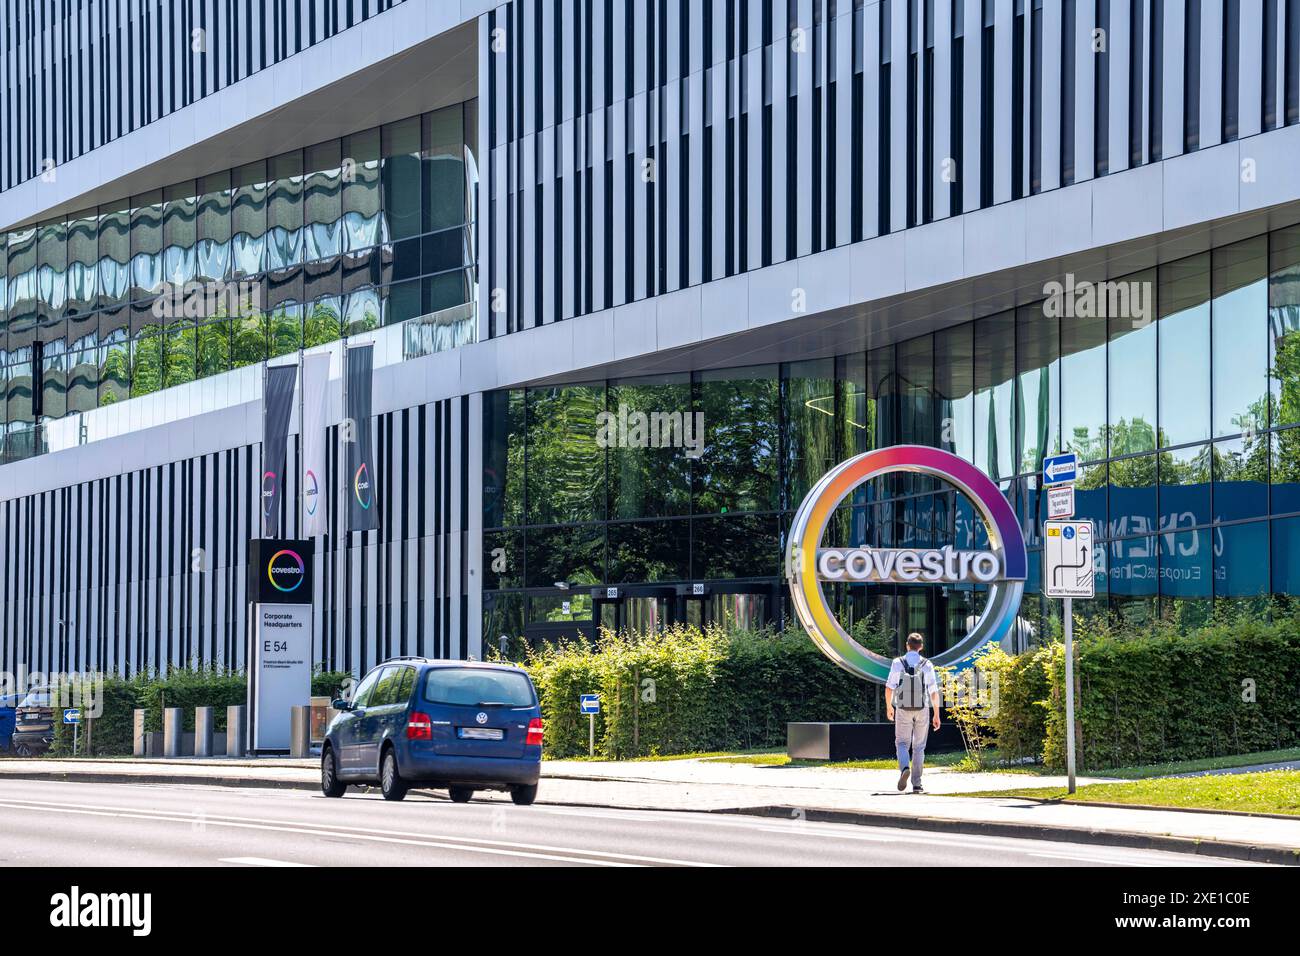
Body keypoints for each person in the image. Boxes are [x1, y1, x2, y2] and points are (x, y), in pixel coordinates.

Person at [885, 632, 940, 793]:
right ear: (921, 647)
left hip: (902, 707)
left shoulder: (897, 662)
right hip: (922, 708)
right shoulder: (927, 664)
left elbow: (889, 687)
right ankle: (917, 783)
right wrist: (936, 714)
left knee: (902, 743)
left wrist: (889, 707)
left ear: (907, 645)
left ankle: (904, 769)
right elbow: (933, 691)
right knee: (919, 746)